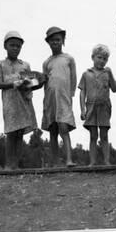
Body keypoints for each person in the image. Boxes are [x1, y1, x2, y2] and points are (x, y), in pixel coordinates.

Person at [0, 31, 40, 169]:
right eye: (12, 45)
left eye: (18, 46)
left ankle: (16, 165)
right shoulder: (0, 64)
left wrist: (35, 81)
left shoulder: (25, 65)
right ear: (5, 46)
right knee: (11, 132)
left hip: (24, 101)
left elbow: (32, 84)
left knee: (20, 132)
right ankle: (8, 165)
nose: (15, 48)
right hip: (9, 102)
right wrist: (13, 84)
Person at [42, 26, 77, 167]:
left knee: (64, 127)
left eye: (58, 40)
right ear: (48, 43)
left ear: (62, 41)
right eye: (52, 41)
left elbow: (73, 79)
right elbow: (44, 81)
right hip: (50, 99)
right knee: (53, 130)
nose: (55, 43)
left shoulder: (69, 59)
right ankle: (55, 162)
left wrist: (71, 95)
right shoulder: (46, 62)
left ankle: (69, 159)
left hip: (64, 98)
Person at [78, 44, 116, 165]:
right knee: (93, 136)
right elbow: (82, 92)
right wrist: (82, 109)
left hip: (104, 107)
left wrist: (111, 74)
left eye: (105, 59)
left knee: (104, 135)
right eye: (99, 57)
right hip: (90, 107)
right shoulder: (86, 74)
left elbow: (115, 89)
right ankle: (92, 162)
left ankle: (107, 161)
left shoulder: (107, 73)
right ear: (93, 57)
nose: (102, 61)